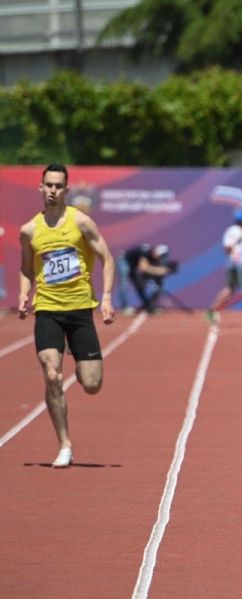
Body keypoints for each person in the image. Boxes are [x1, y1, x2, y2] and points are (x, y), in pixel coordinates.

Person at [17, 164, 116, 468]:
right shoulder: (30, 230)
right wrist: (24, 293)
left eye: (59, 186)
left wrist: (107, 297)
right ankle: (65, 444)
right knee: (51, 373)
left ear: (67, 190)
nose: (53, 191)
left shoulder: (81, 222)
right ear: (40, 187)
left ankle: (76, 351)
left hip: (79, 309)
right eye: (48, 185)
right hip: (47, 309)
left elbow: (106, 257)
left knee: (91, 383)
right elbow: (26, 268)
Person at [206, 210, 242, 325]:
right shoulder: (235, 231)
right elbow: (228, 246)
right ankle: (212, 310)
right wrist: (235, 256)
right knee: (230, 290)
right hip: (236, 266)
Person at [119, 243, 177, 314]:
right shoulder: (145, 251)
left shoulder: (153, 257)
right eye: (161, 257)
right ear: (157, 253)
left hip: (133, 266)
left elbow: (151, 271)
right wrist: (160, 271)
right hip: (124, 261)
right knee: (124, 283)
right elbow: (143, 267)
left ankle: (148, 305)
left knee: (139, 285)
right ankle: (125, 307)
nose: (160, 260)